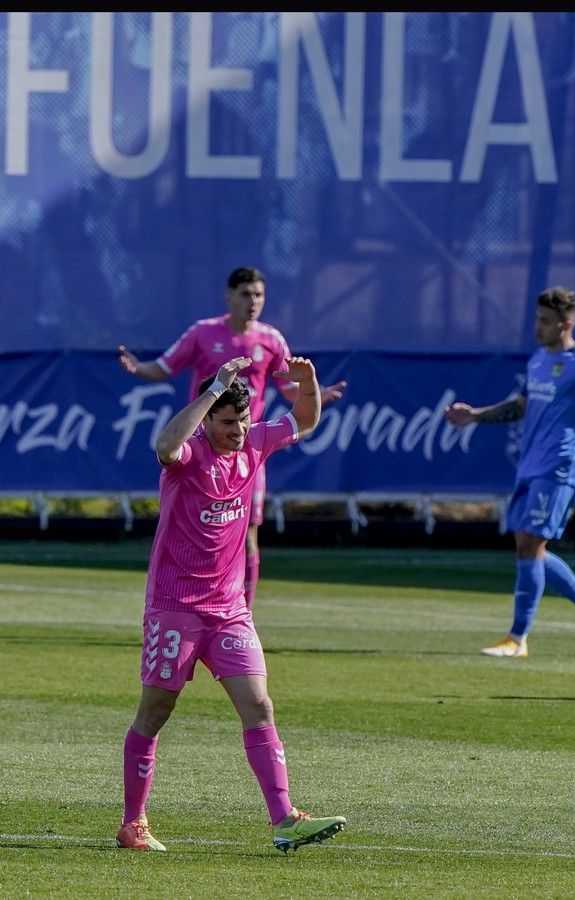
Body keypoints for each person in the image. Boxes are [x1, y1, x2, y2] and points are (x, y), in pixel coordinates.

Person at [116, 354, 346, 853]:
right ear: (209, 419)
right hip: (175, 607)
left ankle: (284, 818)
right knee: (155, 711)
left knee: (260, 706)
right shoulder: (189, 456)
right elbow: (164, 445)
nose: (239, 429)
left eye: (243, 419)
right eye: (228, 421)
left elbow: (304, 420)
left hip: (229, 609)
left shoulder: (255, 445)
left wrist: (308, 383)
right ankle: (133, 823)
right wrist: (212, 388)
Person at [118, 266, 346, 610]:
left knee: (247, 534)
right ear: (229, 296)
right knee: (188, 525)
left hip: (244, 449)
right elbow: (165, 367)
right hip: (201, 447)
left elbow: (289, 392)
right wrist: (138, 368)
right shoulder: (204, 333)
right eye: (245, 294)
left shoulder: (271, 339)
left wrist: (314, 391)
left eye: (259, 294)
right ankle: (178, 603)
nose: (253, 301)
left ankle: (240, 610)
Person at [444, 286, 575, 658]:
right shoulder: (539, 360)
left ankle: (517, 638)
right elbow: (522, 404)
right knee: (529, 547)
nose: (537, 327)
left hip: (560, 466)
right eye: (537, 319)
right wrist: (475, 415)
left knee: (530, 543)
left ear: (566, 324)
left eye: (545, 321)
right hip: (531, 465)